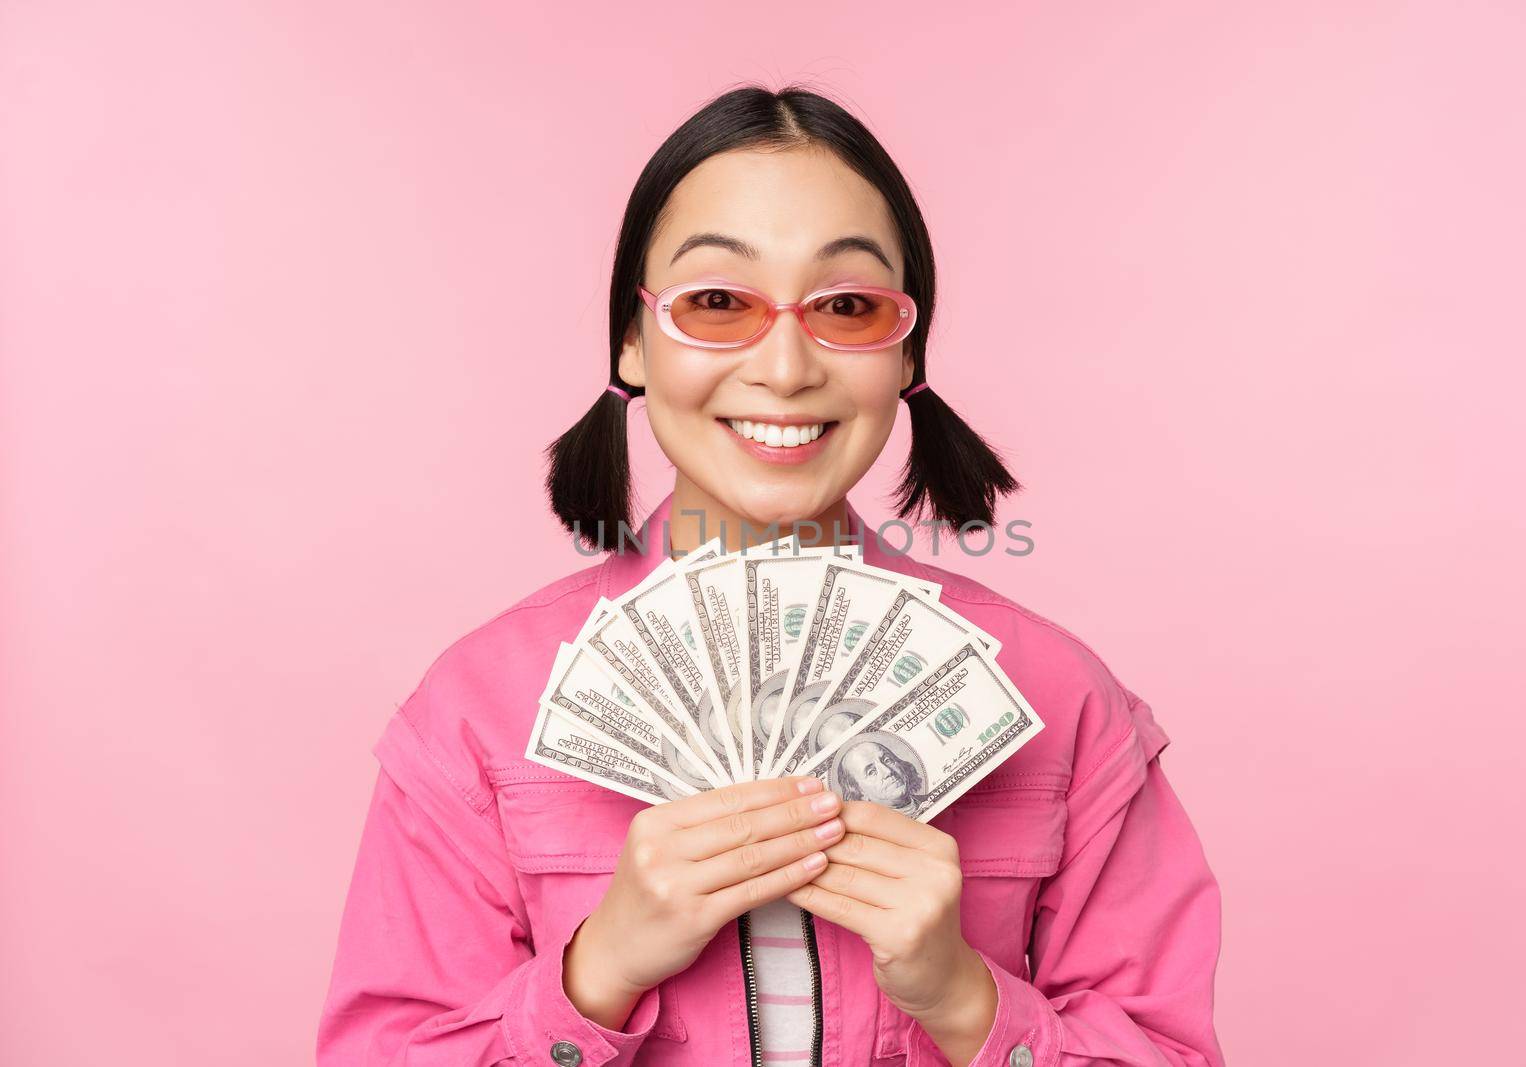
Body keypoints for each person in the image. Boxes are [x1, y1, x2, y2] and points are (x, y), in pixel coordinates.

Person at [317, 84, 1225, 1066]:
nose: (786, 365)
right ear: (631, 337)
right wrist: (596, 975)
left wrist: (964, 999)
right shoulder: (475, 712)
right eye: (716, 302)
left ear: (906, 347)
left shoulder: (1061, 702)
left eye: (846, 305)